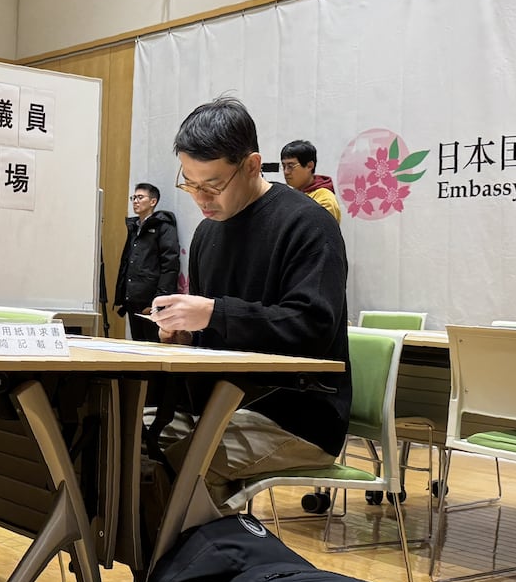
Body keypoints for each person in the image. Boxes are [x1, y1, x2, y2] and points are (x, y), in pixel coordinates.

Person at [149, 97, 350, 507]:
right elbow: (214, 337)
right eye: (189, 183)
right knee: (123, 445)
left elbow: (310, 328)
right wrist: (184, 334)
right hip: (216, 402)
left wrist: (215, 314)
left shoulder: (308, 224)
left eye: (213, 185)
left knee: (177, 466)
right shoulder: (209, 233)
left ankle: (211, 565)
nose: (201, 198)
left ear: (253, 165)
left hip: (294, 414)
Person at [114, 183, 180, 343]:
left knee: (153, 344)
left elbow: (170, 264)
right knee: (137, 344)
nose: (135, 201)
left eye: (140, 197)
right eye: (133, 197)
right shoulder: (134, 227)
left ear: (153, 202)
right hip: (132, 298)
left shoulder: (163, 226)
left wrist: (159, 300)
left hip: (151, 300)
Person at [280, 139, 341, 222]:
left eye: (291, 166)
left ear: (309, 166)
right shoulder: (292, 194)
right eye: (284, 166)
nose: (286, 172)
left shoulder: (325, 200)